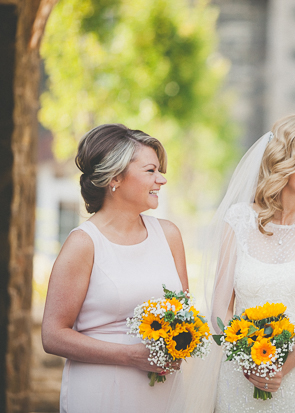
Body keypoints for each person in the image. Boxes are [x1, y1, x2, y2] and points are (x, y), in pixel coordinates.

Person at [175, 114, 295, 412]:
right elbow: (220, 308)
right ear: (284, 156)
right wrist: (249, 361)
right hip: (241, 378)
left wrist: (281, 364)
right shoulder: (239, 219)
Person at [41, 124, 189, 412]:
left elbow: (183, 314)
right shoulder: (83, 244)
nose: (161, 180)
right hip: (101, 391)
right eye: (150, 171)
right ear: (115, 178)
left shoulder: (169, 235)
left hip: (163, 392)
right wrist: (131, 356)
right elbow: (53, 335)